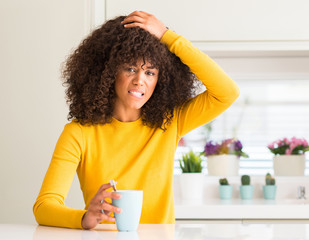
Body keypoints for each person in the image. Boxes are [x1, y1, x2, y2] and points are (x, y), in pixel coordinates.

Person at [33, 11, 239, 229]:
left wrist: (167, 36)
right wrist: (85, 218)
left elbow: (227, 92)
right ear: (109, 72)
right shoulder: (78, 133)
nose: (140, 80)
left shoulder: (170, 122)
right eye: (130, 68)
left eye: (150, 72)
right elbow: (45, 206)